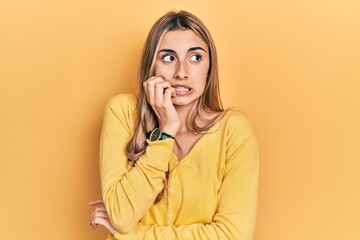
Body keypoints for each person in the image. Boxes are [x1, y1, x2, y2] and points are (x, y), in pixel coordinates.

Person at [89, 10, 259, 240]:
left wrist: (133, 235)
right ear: (152, 65)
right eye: (168, 58)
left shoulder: (234, 131)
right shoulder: (122, 112)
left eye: (195, 58)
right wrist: (166, 132)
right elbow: (122, 215)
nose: (181, 73)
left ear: (209, 68)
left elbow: (232, 236)